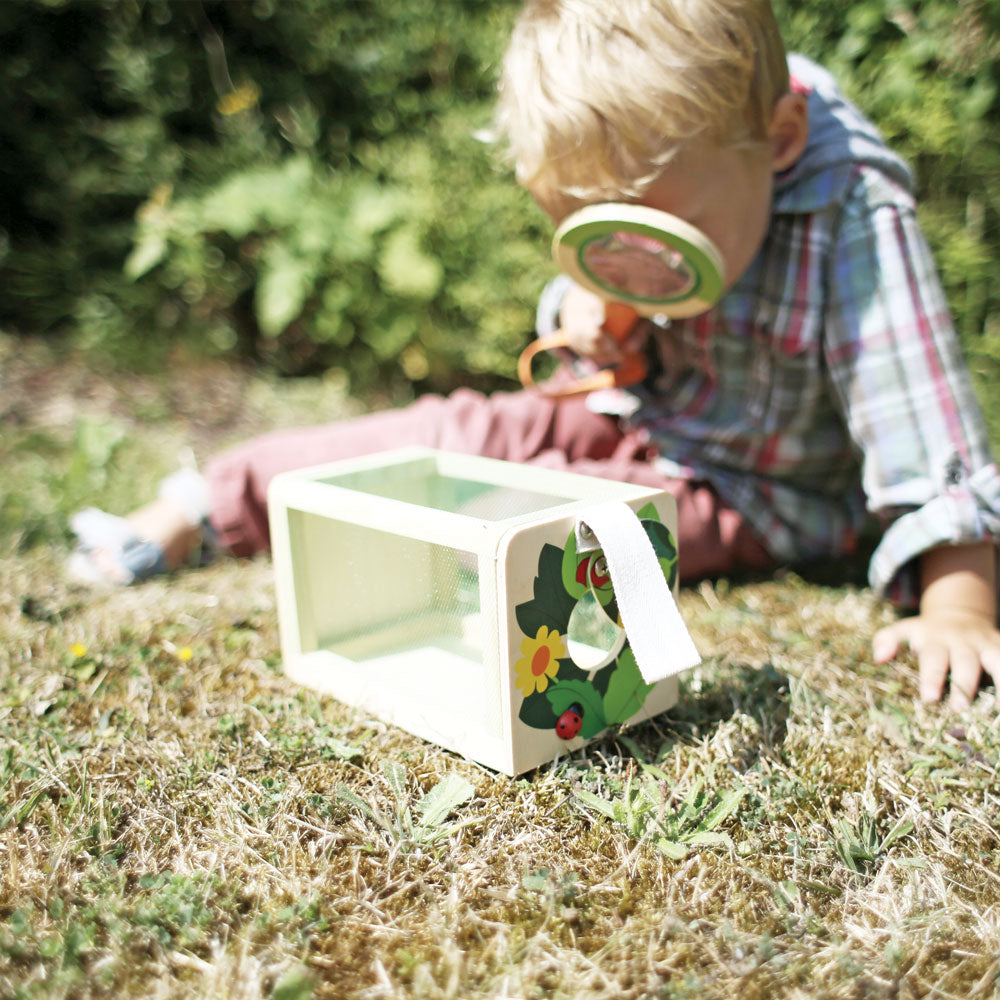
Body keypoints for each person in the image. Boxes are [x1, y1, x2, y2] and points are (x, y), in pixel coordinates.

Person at [69, 0, 1000, 710]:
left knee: (567, 526)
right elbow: (593, 321)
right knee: (456, 432)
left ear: (780, 144)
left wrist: (959, 604)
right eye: (597, 233)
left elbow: (918, 414)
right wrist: (598, 316)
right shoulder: (694, 167)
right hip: (637, 408)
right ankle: (202, 504)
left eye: (660, 234)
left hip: (761, 490)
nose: (635, 261)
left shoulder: (854, 213)